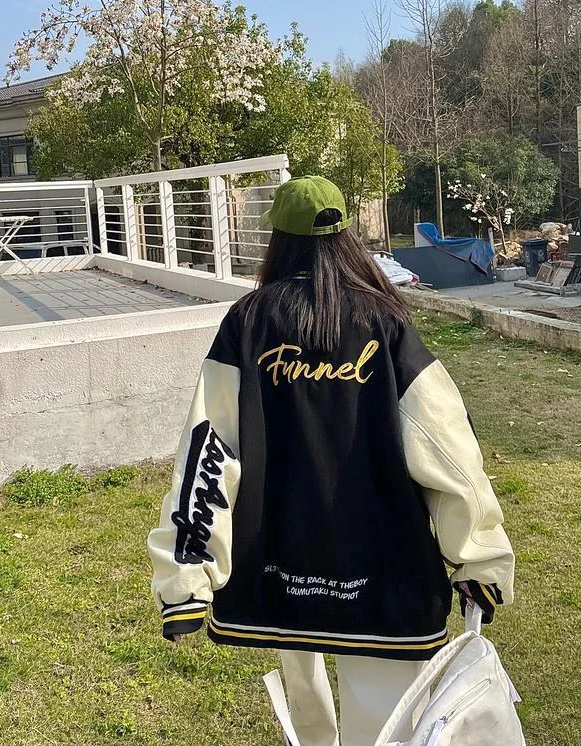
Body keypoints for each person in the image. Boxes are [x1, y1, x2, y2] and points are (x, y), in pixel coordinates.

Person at [147, 175, 515, 746]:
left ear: (278, 238)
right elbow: (447, 450)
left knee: (308, 713)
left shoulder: (248, 321)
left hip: (280, 567)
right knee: (388, 727)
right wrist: (478, 560)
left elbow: (209, 449)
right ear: (345, 235)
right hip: (385, 567)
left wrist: (185, 579)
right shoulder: (385, 321)